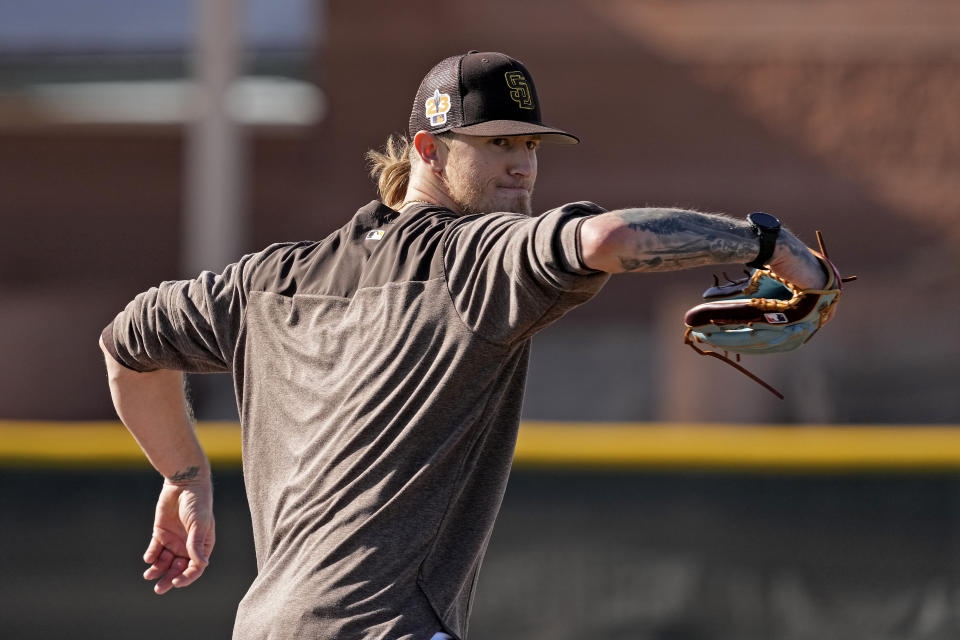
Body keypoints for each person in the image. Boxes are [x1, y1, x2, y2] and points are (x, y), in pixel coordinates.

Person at [100, 51, 830, 640]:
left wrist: (184, 475)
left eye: (529, 143)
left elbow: (127, 344)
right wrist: (767, 241)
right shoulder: (476, 258)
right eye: (494, 145)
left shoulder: (272, 280)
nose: (521, 165)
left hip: (264, 627)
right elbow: (608, 239)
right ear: (427, 149)